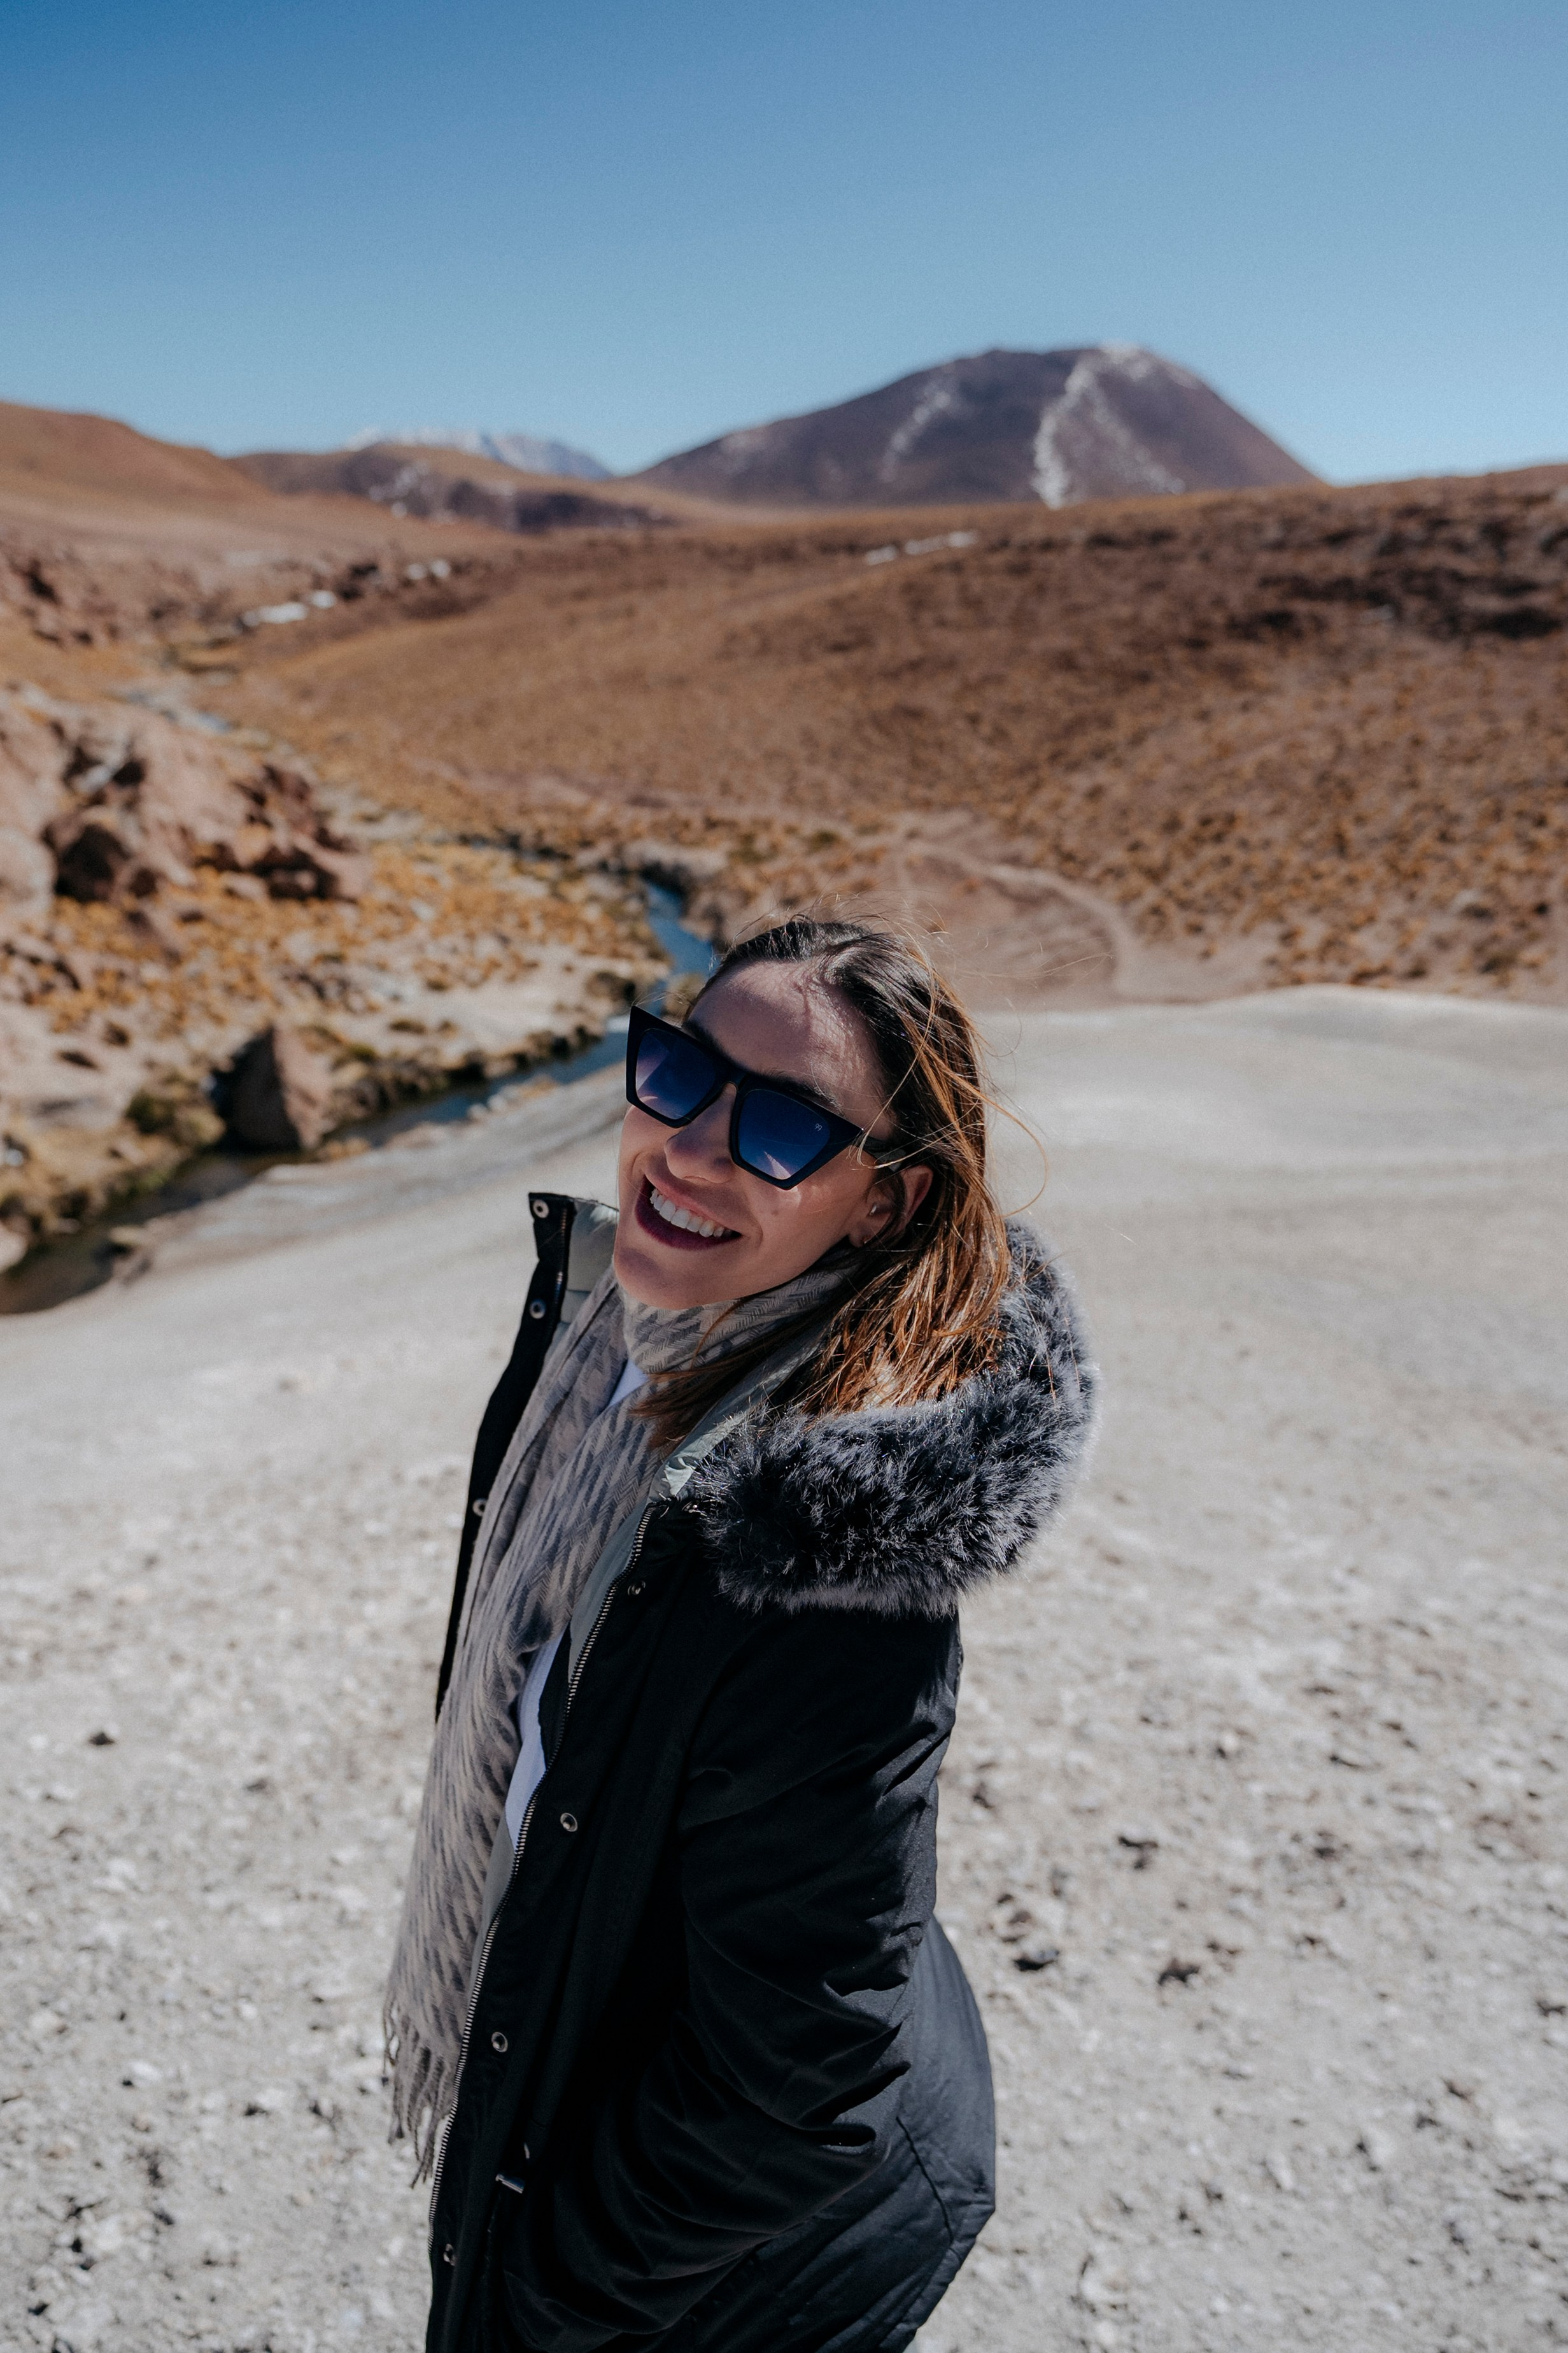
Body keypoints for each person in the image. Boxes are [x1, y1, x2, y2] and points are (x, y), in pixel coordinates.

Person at [386, 916, 1097, 2353]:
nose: (691, 1148)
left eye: (779, 1127)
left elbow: (799, 2083)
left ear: (882, 1206)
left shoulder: (812, 1559)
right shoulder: (614, 1336)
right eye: (678, 1071)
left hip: (740, 2278)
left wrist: (539, 2293)